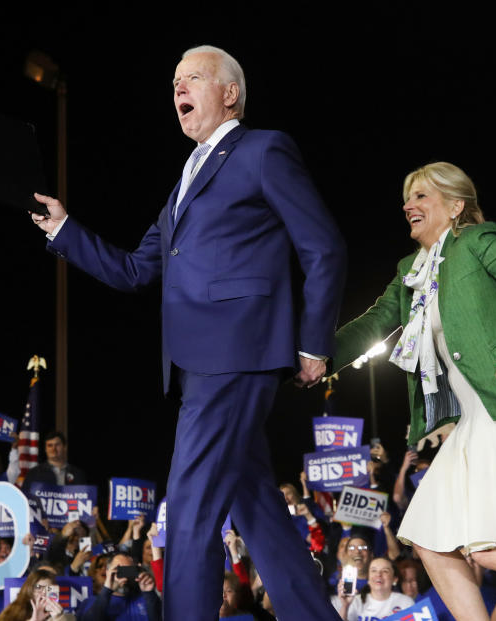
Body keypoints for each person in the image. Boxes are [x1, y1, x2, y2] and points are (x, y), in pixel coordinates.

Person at [28, 44, 346, 621]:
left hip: (236, 353)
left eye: (193, 77)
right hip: (198, 361)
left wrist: (313, 343)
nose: (178, 87)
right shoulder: (186, 178)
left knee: (193, 509)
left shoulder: (262, 150)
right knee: (259, 516)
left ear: (230, 93)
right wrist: (64, 227)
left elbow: (323, 246)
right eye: (174, 80)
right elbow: (134, 270)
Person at [333, 161, 496, 621]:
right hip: (470, 424)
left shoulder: (476, 242)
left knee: (493, 548)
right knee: (429, 537)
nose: (408, 205)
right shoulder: (411, 270)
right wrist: (310, 355)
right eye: (407, 197)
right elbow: (377, 323)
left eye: (421, 196)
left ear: (456, 206)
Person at [78, 553, 161, 621]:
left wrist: (149, 593)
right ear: (108, 573)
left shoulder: (146, 599)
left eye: (127, 571)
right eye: (118, 571)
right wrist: (107, 589)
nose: (123, 577)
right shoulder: (91, 602)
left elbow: (160, 618)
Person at [338, 557, 414, 621]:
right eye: (374, 570)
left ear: (394, 579)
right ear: (368, 578)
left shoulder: (406, 602)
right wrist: (345, 606)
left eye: (385, 571)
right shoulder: (355, 602)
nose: (378, 574)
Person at [0, 568, 75, 621]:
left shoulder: (68, 617)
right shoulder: (12, 614)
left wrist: (59, 618)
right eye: (38, 587)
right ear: (29, 590)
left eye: (48, 588)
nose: (43, 592)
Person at [21, 431, 87, 489]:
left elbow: (85, 497)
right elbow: (25, 498)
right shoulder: (34, 473)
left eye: (57, 445)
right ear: (45, 449)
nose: (53, 449)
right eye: (50, 445)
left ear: (64, 447)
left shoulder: (78, 474)